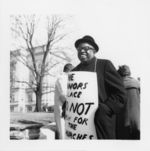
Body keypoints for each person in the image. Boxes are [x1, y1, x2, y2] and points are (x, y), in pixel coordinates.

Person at [72, 35, 127, 139]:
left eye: (86, 48)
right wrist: (67, 107)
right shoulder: (74, 72)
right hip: (80, 128)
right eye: (79, 49)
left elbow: (121, 94)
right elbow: (72, 96)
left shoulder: (104, 65)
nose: (82, 51)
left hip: (101, 125)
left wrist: (104, 109)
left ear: (94, 51)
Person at [117, 65, 140, 139]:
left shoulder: (117, 85)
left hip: (122, 123)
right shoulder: (137, 83)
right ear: (129, 73)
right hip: (137, 122)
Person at [54, 63, 74, 139]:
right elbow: (63, 94)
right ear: (69, 70)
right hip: (62, 108)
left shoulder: (65, 78)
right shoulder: (62, 78)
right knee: (62, 130)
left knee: (66, 131)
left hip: (65, 107)